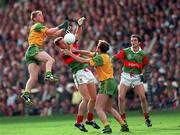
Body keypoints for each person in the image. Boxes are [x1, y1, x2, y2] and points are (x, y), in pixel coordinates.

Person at [64, 40, 129, 133]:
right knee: (108, 108)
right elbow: (88, 53)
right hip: (112, 83)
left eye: (97, 45)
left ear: (99, 48)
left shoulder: (99, 58)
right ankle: (123, 125)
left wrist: (70, 53)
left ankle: (107, 127)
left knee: (98, 108)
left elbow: (83, 61)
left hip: (106, 83)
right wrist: (76, 51)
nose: (96, 47)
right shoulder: (103, 56)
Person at [54, 17, 100, 132]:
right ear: (60, 46)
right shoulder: (64, 52)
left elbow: (77, 35)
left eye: (65, 40)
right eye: (63, 42)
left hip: (86, 71)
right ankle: (78, 122)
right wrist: (90, 55)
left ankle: (89, 120)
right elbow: (77, 55)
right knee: (86, 98)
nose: (65, 41)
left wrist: (79, 25)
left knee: (93, 98)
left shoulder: (71, 45)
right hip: (78, 73)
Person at [21, 10, 69, 105]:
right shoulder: (37, 25)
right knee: (50, 59)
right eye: (39, 15)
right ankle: (48, 75)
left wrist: (63, 29)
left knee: (33, 78)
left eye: (42, 14)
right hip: (34, 48)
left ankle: (26, 94)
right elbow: (50, 31)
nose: (42, 16)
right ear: (35, 18)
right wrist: (60, 26)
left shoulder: (40, 28)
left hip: (30, 52)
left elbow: (54, 34)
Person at [113, 34, 152, 127]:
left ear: (139, 42)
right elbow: (117, 57)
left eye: (135, 40)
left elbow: (144, 65)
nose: (133, 42)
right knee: (120, 97)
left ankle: (147, 118)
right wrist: (110, 59)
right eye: (132, 40)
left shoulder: (143, 54)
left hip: (137, 77)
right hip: (126, 76)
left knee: (143, 97)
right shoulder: (126, 51)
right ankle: (123, 120)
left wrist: (142, 73)